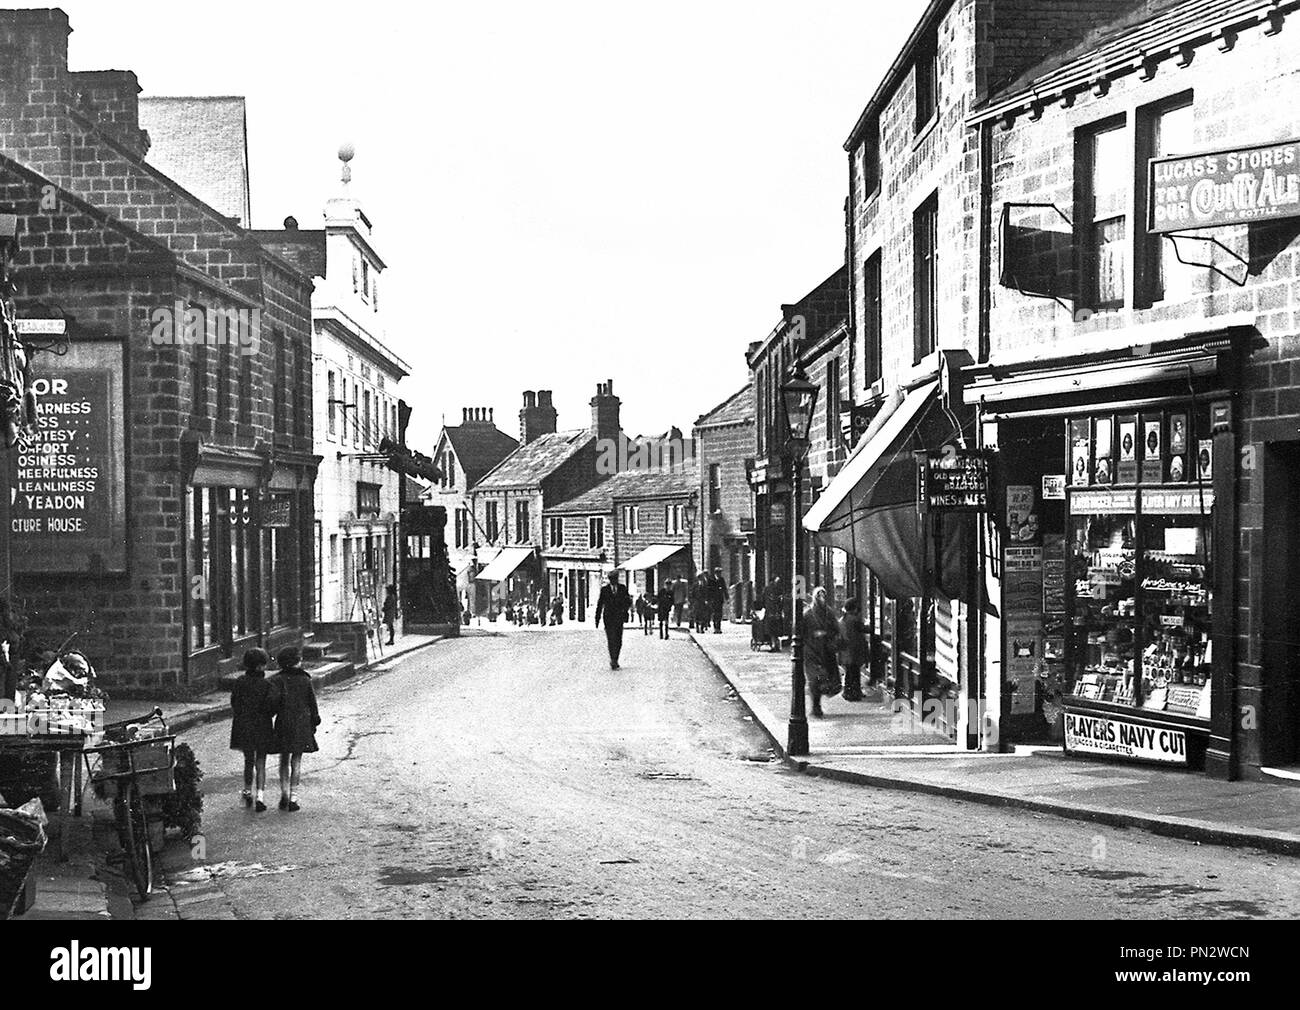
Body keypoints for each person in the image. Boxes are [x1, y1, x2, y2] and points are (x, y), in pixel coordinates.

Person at [268, 647, 320, 812]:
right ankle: (293, 797)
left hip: (284, 722)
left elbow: (272, 704)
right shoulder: (305, 680)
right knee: (296, 761)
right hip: (302, 724)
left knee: (284, 760)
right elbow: (312, 703)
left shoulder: (277, 680)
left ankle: (283, 793)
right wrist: (314, 721)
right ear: (297, 662)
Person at [229, 648, 275, 812]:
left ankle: (247, 791)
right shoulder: (267, 685)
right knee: (261, 761)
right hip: (262, 727)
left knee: (248, 760)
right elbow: (271, 707)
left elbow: (234, 702)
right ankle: (260, 796)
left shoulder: (240, 681)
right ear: (260, 667)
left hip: (244, 726)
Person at [802, 586, 842, 718]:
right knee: (814, 679)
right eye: (819, 596)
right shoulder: (807, 614)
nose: (822, 598)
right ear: (814, 597)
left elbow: (836, 629)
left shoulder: (828, 612)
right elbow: (800, 632)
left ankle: (817, 704)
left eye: (823, 595)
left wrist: (825, 633)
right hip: (811, 651)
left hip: (825, 651)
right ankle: (816, 706)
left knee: (824, 679)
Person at [594, 570, 632, 669]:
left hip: (619, 618)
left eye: (615, 579)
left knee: (618, 640)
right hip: (609, 618)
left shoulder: (622, 589)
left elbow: (628, 601)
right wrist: (597, 619)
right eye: (612, 579)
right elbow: (600, 604)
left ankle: (616, 658)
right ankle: (613, 660)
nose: (613, 581)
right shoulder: (605, 590)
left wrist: (625, 610)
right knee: (611, 639)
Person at [838, 597, 868, 702]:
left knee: (850, 673)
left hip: (846, 652)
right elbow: (864, 629)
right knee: (854, 673)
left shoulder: (844, 619)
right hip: (853, 651)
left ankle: (850, 692)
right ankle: (852, 693)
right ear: (854, 608)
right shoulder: (854, 619)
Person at [763, 577, 786, 652]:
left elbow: (763, 600)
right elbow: (781, 601)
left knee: (772, 630)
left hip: (770, 612)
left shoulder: (767, 589)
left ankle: (774, 645)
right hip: (776, 612)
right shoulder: (779, 589)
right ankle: (775, 645)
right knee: (775, 630)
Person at [710, 568, 728, 633]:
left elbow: (724, 589)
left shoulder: (722, 579)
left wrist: (727, 598)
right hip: (714, 600)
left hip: (720, 599)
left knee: (720, 614)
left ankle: (719, 628)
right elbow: (709, 590)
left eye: (720, 573)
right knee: (715, 614)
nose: (719, 574)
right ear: (715, 573)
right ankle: (715, 628)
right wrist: (709, 599)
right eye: (718, 573)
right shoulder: (711, 580)